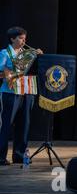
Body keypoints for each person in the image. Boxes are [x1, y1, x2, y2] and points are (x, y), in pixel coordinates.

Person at [0, 27, 43, 166]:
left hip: (26, 91)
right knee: (6, 124)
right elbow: (1, 72)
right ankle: (1, 156)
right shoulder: (4, 53)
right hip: (10, 92)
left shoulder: (27, 54)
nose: (23, 41)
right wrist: (10, 73)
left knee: (23, 124)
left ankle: (19, 155)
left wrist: (38, 56)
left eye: (24, 38)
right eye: (20, 38)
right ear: (12, 39)